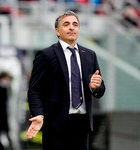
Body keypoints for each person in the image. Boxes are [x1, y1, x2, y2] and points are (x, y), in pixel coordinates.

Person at [26, 10, 106, 150]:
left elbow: (100, 90)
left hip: (82, 125)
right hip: (56, 125)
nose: (71, 27)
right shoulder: (46, 55)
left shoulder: (90, 55)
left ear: (78, 30)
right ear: (57, 31)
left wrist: (95, 87)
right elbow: (35, 89)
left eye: (75, 24)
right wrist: (38, 113)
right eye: (66, 24)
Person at [0, 72, 13, 150]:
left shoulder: (4, 88)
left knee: (3, 128)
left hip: (3, 111)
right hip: (0, 112)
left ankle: (2, 144)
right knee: (2, 128)